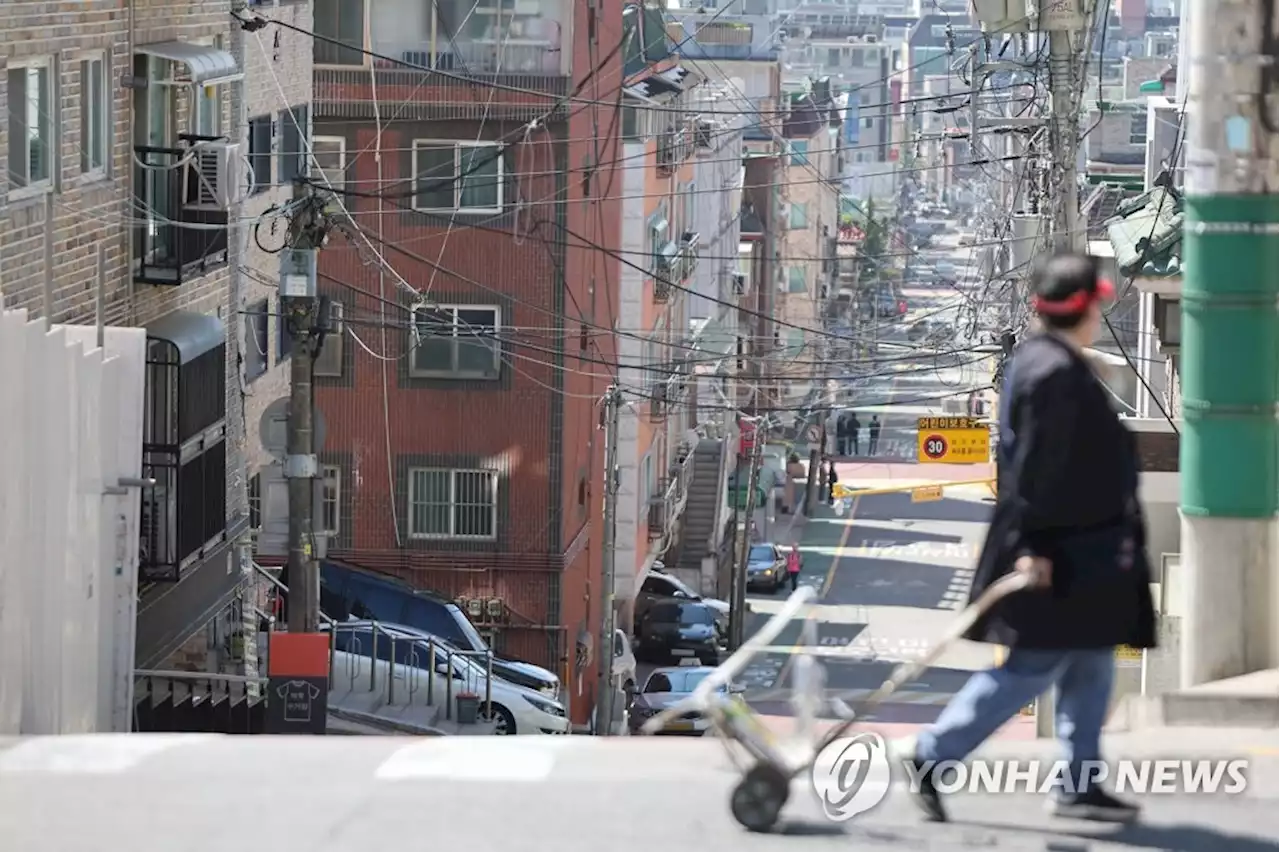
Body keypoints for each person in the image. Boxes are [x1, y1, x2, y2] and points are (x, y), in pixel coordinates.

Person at [908, 252, 1156, 824]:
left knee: (1090, 663)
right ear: (1086, 307)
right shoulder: (1055, 376)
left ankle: (1080, 781)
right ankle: (933, 752)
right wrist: (1032, 548)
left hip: (1084, 550)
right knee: (1033, 665)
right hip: (1059, 551)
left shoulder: (1044, 361)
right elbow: (1037, 471)